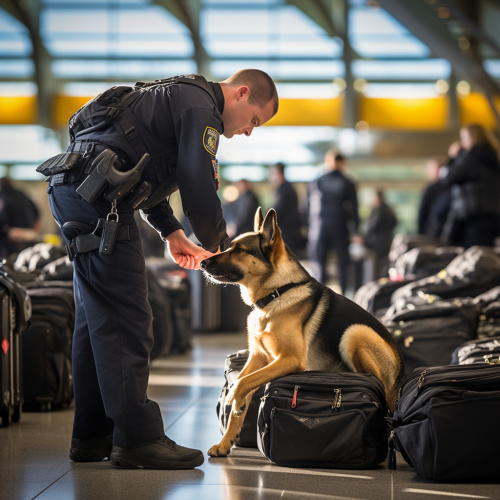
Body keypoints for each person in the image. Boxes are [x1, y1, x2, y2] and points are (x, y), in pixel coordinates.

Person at [45, 69, 279, 470]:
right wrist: (221, 247)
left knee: (96, 316)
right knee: (127, 316)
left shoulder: (178, 97)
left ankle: (92, 435)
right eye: (255, 120)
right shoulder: (201, 108)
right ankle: (138, 439)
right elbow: (196, 179)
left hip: (77, 189)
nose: (249, 132)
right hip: (100, 202)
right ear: (241, 93)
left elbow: (141, 168)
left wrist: (171, 232)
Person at [307, 150, 359, 294]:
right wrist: (356, 229)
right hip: (339, 227)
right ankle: (344, 298)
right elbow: (354, 207)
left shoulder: (317, 181)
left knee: (319, 265)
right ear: (342, 163)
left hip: (319, 227)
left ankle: (319, 298)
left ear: (328, 161)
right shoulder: (347, 182)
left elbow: (307, 207)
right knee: (342, 265)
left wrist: (309, 227)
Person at [442, 123, 500, 248]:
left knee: (472, 259)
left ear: (472, 138)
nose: (461, 143)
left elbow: (448, 179)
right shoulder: (494, 158)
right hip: (493, 217)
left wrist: (452, 158)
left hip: (472, 218)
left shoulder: (470, 159)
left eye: (463, 138)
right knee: (486, 259)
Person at [269, 162, 304, 254]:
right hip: (288, 232)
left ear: (279, 174)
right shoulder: (286, 188)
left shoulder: (284, 190)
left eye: (273, 173)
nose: (271, 177)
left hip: (287, 233)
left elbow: (276, 211)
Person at [0, 177, 40, 258]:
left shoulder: (3, 197)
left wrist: (6, 232)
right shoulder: (22, 194)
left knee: (10, 261)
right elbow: (36, 212)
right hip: (28, 233)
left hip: (11, 234)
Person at [363, 190, 398, 278]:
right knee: (384, 266)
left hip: (377, 245)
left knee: (376, 268)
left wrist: (365, 239)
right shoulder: (388, 211)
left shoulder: (379, 211)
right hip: (386, 243)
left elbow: (372, 227)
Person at [417, 156, 450, 238]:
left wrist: (419, 233)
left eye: (431, 168)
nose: (429, 172)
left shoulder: (432, 189)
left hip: (431, 233)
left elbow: (422, 213)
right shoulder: (451, 187)